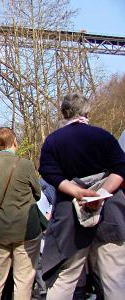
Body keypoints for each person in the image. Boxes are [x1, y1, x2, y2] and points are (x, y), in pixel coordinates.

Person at [39, 93, 125, 300]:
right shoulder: (104, 136)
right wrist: (102, 194)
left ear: (63, 113)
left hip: (70, 215)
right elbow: (120, 168)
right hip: (109, 213)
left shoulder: (53, 141)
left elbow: (49, 172)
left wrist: (77, 192)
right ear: (86, 112)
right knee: (114, 278)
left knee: (66, 277)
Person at [0, 127, 42, 300]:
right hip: (25, 230)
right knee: (23, 281)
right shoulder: (25, 165)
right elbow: (37, 194)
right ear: (15, 141)